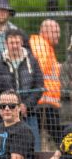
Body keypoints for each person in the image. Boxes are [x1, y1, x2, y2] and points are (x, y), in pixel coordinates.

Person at [0, 29, 44, 151]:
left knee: (34, 148)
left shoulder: (33, 61)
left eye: (17, 42)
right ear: (6, 43)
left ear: (22, 42)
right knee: (6, 148)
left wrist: (25, 105)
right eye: (12, 43)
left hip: (29, 113)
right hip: (7, 114)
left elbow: (39, 86)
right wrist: (11, 105)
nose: (15, 46)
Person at [29, 19, 63, 149]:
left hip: (47, 101)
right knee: (57, 134)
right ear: (45, 31)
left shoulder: (46, 46)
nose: (58, 35)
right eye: (55, 31)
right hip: (43, 102)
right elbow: (39, 71)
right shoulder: (41, 46)